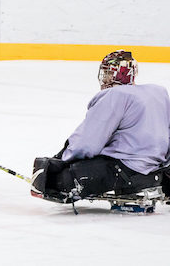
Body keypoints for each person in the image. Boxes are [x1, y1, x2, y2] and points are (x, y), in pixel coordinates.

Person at [31, 50, 170, 204]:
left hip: (127, 170)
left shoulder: (115, 95)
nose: (105, 78)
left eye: (109, 73)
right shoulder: (158, 92)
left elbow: (87, 144)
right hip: (157, 170)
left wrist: (62, 160)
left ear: (123, 74)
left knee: (58, 180)